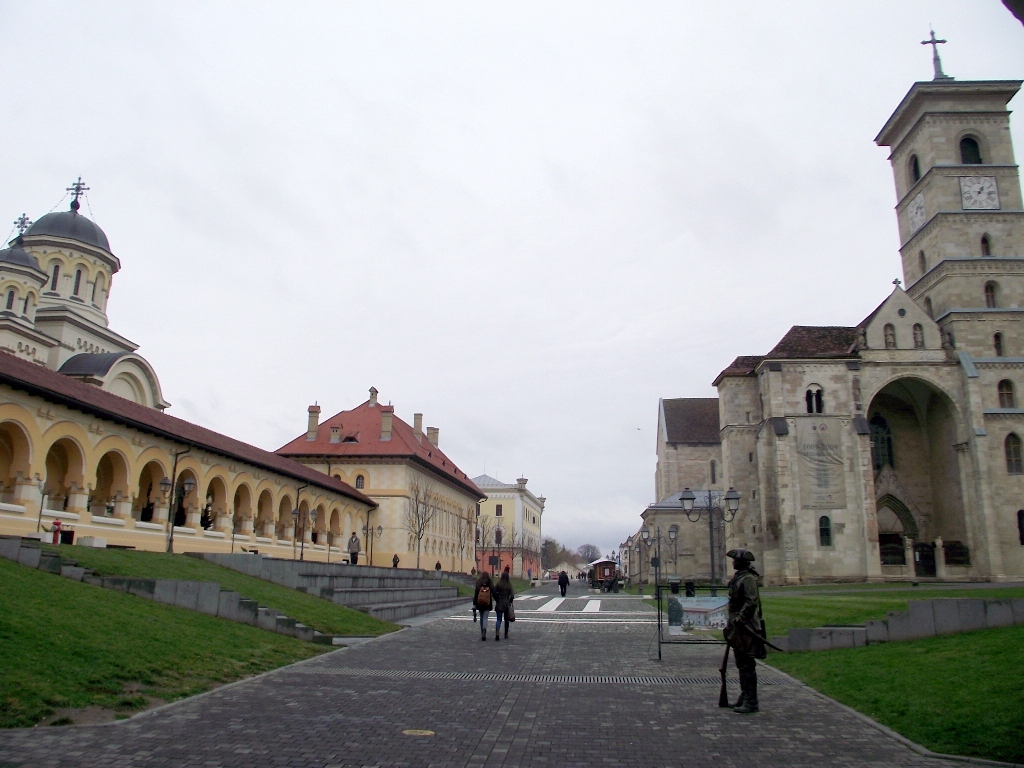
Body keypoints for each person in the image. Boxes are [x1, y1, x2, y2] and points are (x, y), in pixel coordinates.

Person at [723, 548, 765, 714]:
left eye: (735, 560)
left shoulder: (747, 578)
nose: (732, 562)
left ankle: (751, 701)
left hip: (746, 627)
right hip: (738, 627)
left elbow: (751, 601)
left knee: (747, 665)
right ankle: (745, 696)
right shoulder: (740, 577)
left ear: (741, 562)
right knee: (742, 664)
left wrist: (740, 617)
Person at [493, 567, 514, 641]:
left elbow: (494, 592)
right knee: (506, 620)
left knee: (498, 619)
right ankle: (506, 634)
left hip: (499, 603)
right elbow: (512, 595)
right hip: (506, 604)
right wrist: (510, 601)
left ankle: (497, 633)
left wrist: (496, 599)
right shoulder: (509, 585)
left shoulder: (498, 584)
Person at [473, 570, 494, 640]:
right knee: (485, 617)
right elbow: (493, 591)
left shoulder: (479, 582)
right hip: (487, 603)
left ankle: (482, 631)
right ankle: (484, 630)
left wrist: (474, 604)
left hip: (480, 602)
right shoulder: (489, 582)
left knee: (481, 617)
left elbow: (476, 594)